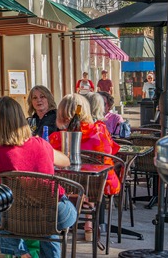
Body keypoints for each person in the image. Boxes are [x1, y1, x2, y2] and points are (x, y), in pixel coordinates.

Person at [0, 96, 75, 258]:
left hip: (16, 218)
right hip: (56, 214)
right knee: (46, 219)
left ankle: (21, 253)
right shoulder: (40, 144)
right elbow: (65, 161)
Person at [49, 94, 120, 240]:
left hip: (67, 187)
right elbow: (110, 152)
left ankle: (69, 218)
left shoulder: (57, 138)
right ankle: (89, 222)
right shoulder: (100, 131)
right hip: (99, 185)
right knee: (91, 175)